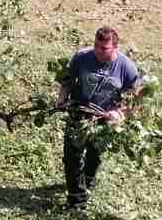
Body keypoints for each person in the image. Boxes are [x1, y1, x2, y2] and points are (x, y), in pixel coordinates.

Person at [54, 25, 141, 209]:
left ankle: (86, 183)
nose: (98, 51)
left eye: (104, 48)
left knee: (94, 156)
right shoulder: (81, 57)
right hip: (79, 112)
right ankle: (76, 201)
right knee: (71, 157)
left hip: (104, 119)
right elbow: (68, 81)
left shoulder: (126, 68)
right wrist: (62, 98)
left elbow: (135, 101)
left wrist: (118, 113)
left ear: (115, 47)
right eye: (96, 45)